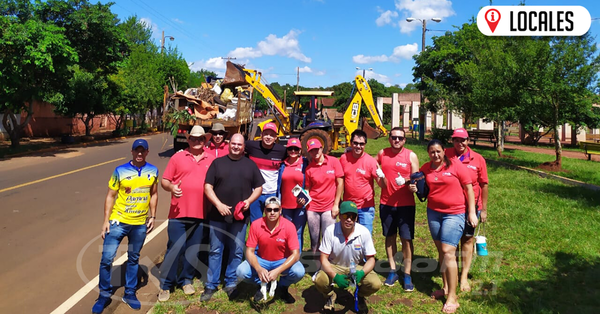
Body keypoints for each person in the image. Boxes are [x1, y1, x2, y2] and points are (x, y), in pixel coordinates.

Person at [409, 139, 477, 314]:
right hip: (434, 213)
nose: (435, 155)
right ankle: (446, 287)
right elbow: (419, 183)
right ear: (428, 153)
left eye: (438, 151)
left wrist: (471, 213)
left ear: (444, 151)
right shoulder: (426, 168)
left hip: (455, 213)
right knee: (441, 251)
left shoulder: (455, 166)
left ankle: (452, 297)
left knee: (448, 251)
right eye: (432, 152)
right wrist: (414, 187)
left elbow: (469, 188)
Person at [92, 139, 158, 314]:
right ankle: (104, 295)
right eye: (137, 150)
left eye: (142, 151)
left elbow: (154, 194)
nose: (139, 153)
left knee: (134, 258)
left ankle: (129, 293)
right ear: (132, 151)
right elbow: (110, 196)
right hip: (118, 222)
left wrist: (153, 216)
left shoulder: (153, 171)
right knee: (107, 259)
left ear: (147, 152)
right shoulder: (119, 171)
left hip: (139, 224)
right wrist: (105, 220)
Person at [202, 133, 265, 302]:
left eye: (239, 144)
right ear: (229, 144)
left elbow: (259, 188)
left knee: (237, 252)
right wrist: (218, 204)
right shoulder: (217, 163)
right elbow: (208, 187)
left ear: (244, 147)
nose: (236, 146)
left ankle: (231, 283)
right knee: (216, 250)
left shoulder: (250, 165)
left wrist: (248, 201)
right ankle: (211, 285)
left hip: (239, 218)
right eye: (234, 144)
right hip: (217, 216)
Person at [158, 126, 214, 301]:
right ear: (188, 140)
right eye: (193, 139)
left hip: (201, 212)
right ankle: (166, 285)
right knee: (175, 247)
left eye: (200, 139)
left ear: (205, 141)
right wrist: (171, 187)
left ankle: (186, 279)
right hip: (178, 212)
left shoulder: (211, 159)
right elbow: (165, 181)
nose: (197, 142)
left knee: (193, 249)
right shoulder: (177, 157)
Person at [313, 201, 381, 312]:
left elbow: (371, 260)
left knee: (375, 284)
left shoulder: (364, 232)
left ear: (356, 218)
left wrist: (362, 273)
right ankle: (330, 295)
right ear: (339, 216)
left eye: (353, 217)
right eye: (345, 216)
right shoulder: (330, 231)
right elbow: (323, 258)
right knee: (319, 280)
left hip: (356, 266)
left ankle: (360, 296)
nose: (349, 219)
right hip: (334, 265)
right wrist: (335, 276)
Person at [236, 196, 305, 304]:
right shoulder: (256, 225)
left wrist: (278, 271)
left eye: (276, 209)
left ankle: (283, 286)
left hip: (282, 260)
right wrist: (259, 269)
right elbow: (249, 251)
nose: (272, 212)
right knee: (241, 271)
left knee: (299, 271)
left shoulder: (289, 226)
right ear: (264, 211)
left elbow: (295, 255)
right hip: (262, 259)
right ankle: (262, 282)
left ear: (280, 210)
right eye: (269, 209)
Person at [445, 128, 489, 292]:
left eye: (463, 140)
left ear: (468, 140)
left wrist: (483, 210)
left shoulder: (478, 159)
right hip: (450, 208)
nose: (460, 143)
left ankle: (463, 278)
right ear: (452, 141)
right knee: (451, 244)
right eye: (456, 140)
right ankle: (452, 274)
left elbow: (484, 184)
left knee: (468, 240)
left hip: (471, 208)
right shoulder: (446, 154)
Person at [376, 127, 420, 289]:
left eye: (400, 138)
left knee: (406, 240)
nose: (396, 140)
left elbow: (417, 177)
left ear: (404, 140)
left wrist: (407, 180)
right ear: (389, 138)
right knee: (389, 237)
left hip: (406, 205)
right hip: (386, 203)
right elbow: (371, 164)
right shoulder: (382, 153)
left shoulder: (411, 155)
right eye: (394, 137)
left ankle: (407, 274)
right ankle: (393, 270)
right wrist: (378, 176)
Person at [340, 129, 387, 234]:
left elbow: (383, 185)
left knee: (365, 238)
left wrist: (383, 177)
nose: (358, 146)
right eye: (355, 143)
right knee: (348, 237)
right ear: (351, 143)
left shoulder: (371, 161)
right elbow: (339, 180)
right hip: (348, 206)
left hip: (365, 208)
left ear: (365, 144)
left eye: (361, 144)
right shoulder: (344, 158)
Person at [304, 139, 343, 254]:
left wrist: (336, 204)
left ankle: (328, 266)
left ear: (321, 148)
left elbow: (340, 183)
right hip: (312, 208)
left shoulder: (334, 161)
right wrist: (303, 197)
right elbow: (308, 188)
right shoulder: (309, 169)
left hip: (329, 207)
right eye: (312, 150)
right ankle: (316, 267)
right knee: (314, 239)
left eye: (317, 149)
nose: (315, 152)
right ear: (309, 152)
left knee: (328, 238)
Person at [245, 122, 287, 222]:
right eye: (266, 134)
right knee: (256, 223)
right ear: (261, 135)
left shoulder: (281, 151)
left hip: (272, 193)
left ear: (276, 137)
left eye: (272, 135)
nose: (268, 137)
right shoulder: (251, 146)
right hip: (255, 193)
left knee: (273, 223)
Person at [276, 138, 309, 250]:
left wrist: (305, 196)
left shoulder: (305, 164)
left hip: (300, 205)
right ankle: (287, 257)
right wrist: (278, 203)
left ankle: (296, 261)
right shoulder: (283, 165)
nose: (293, 151)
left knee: (298, 233)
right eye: (290, 148)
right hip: (285, 206)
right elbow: (279, 186)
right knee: (287, 234)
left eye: (296, 148)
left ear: (300, 150)